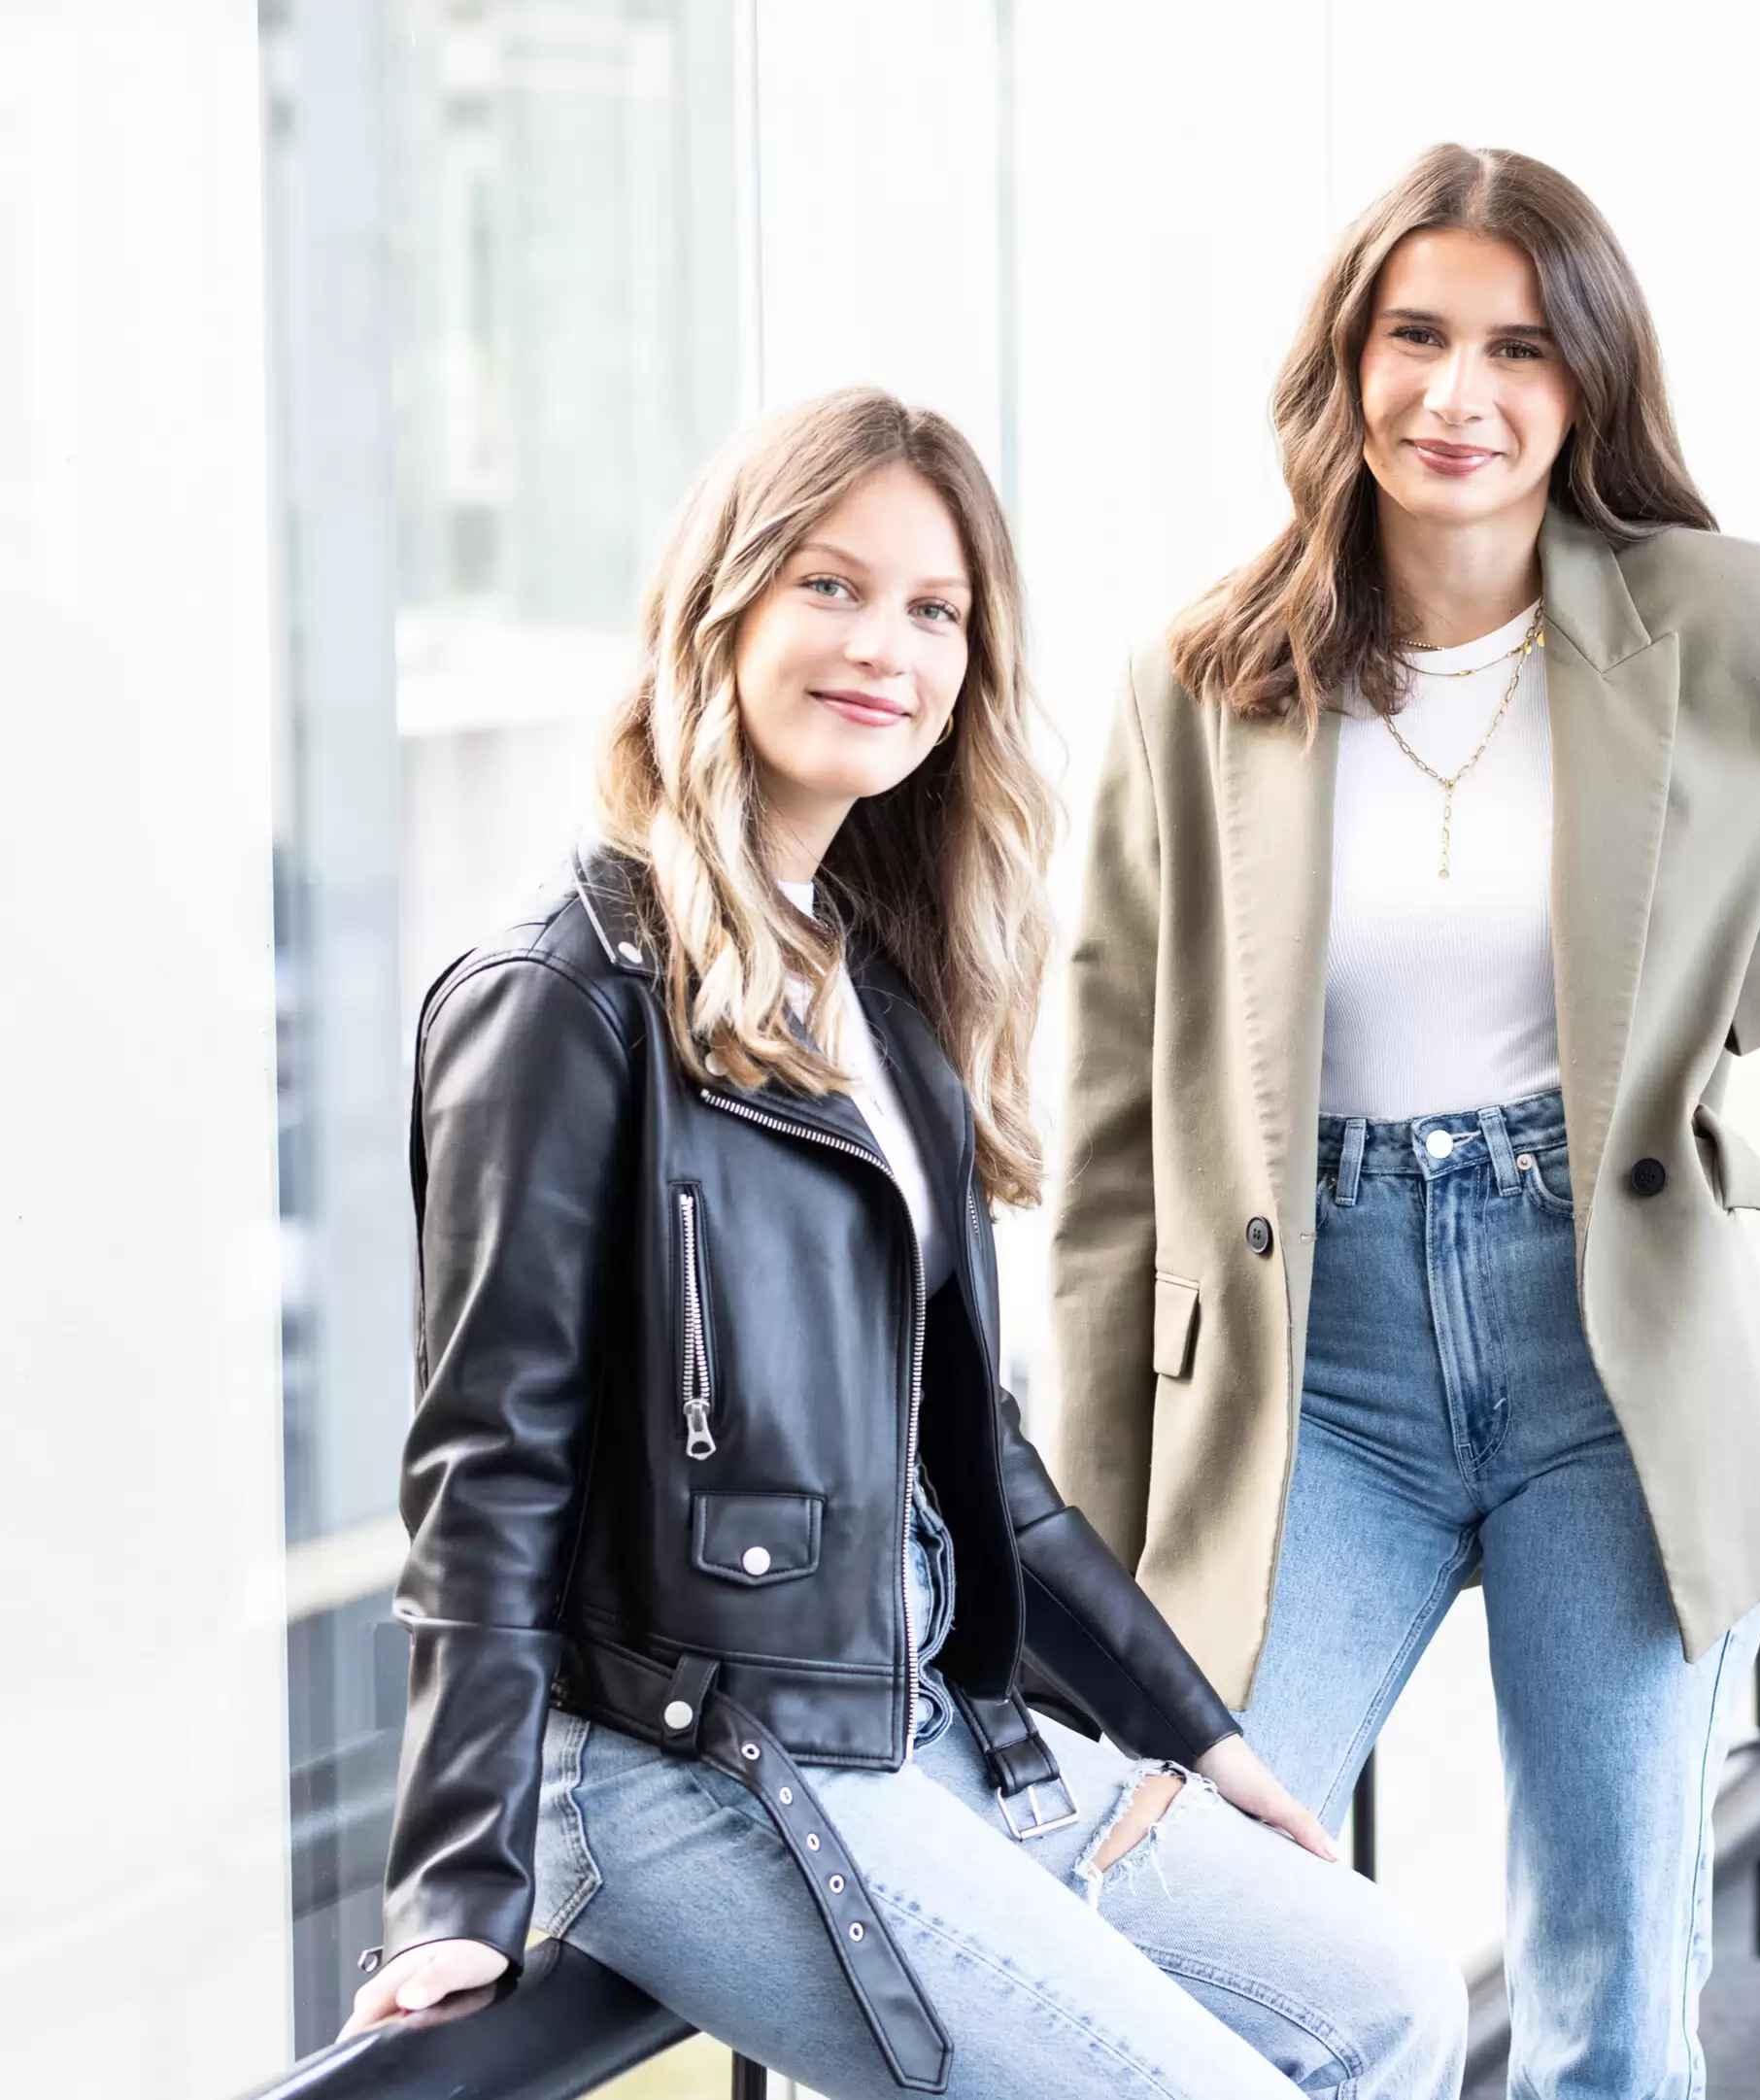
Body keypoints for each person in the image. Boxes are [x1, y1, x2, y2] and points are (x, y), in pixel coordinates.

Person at [1049, 146, 1760, 2100]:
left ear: (1587, 378)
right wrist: (1085, 1544)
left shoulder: (1727, 624)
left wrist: (1700, 1005)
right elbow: (1115, 1130)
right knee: (1178, 1903)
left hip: (1609, 1355)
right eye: (1417, 335)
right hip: (1309, 1375)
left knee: (1604, 1992)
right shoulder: (1202, 683)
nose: (1460, 392)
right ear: (1346, 363)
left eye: (1519, 347)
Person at [344, 387, 1467, 2100]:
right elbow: (490, 1466)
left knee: (1391, 1994)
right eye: (832, 585)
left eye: (937, 609)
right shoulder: (563, 995)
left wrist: (1190, 1727)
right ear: (720, 608)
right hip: (690, 1756)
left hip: (931, 1713)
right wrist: (452, 1884)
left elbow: (978, 1456)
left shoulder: (878, 983)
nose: (888, 646)